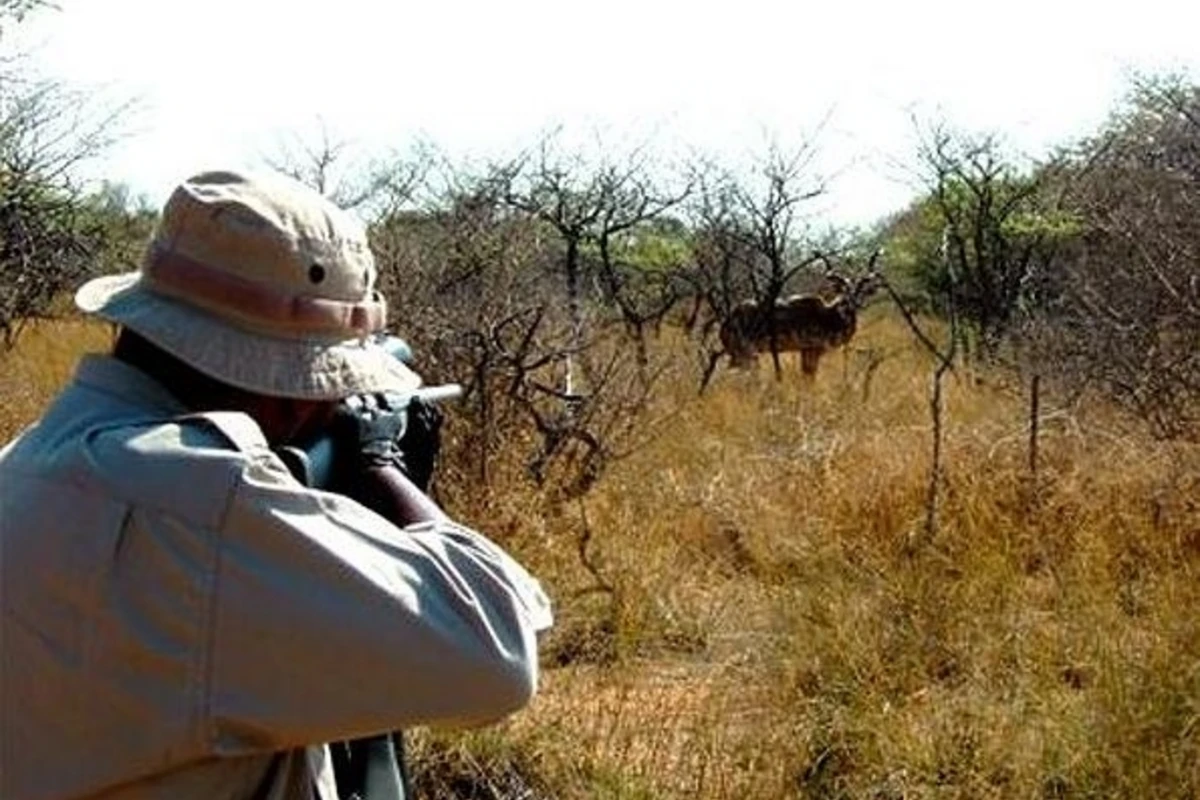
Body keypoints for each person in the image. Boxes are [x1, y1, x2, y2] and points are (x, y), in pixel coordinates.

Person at [0, 169, 553, 799]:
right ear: (290, 394)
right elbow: (500, 653)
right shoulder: (209, 499)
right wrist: (380, 467)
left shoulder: (25, 462)